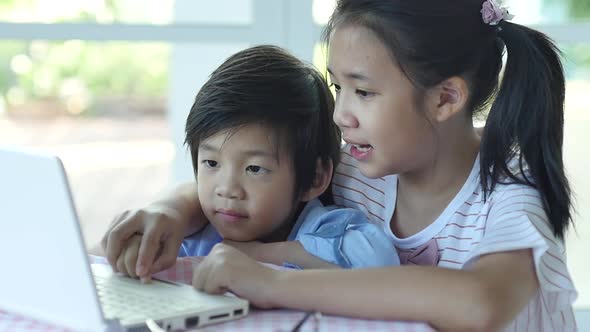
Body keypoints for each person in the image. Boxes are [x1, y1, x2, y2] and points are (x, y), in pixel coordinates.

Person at [102, 0, 578, 330]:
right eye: (337, 88)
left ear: (445, 98)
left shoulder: (509, 194)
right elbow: (257, 177)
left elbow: (481, 303)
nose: (339, 115)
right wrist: (169, 210)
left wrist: (271, 281)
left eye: (364, 92)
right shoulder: (357, 169)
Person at [107, 45, 399, 279]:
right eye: (211, 163)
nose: (227, 189)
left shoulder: (327, 228)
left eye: (254, 169)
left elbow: (379, 262)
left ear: (314, 178)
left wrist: (257, 255)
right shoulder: (195, 235)